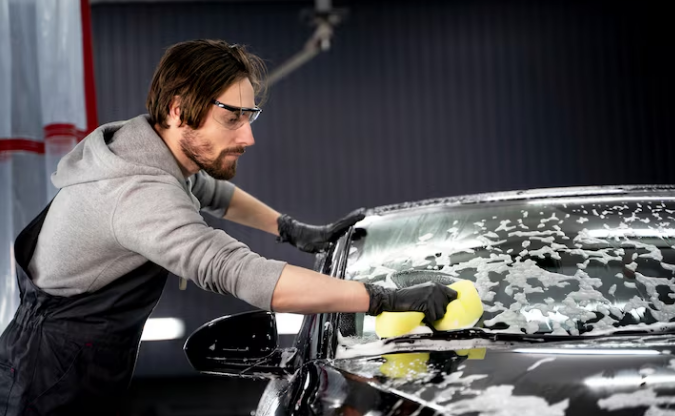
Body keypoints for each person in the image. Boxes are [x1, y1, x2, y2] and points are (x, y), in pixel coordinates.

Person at [0, 39, 457, 415]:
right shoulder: (137, 193)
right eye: (231, 117)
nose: (247, 136)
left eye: (249, 116)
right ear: (178, 110)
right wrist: (381, 298)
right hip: (45, 386)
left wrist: (291, 229)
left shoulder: (145, 145)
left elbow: (209, 191)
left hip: (71, 364)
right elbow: (237, 272)